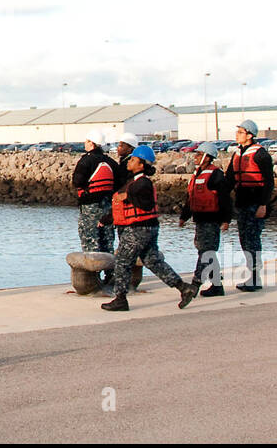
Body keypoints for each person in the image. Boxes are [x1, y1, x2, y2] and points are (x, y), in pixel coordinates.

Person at [101, 145, 200, 312]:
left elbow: (144, 203)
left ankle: (120, 299)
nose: (129, 161)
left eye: (133, 159)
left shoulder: (142, 183)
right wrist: (106, 219)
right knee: (152, 261)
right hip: (148, 228)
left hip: (138, 229)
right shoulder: (135, 182)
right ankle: (184, 288)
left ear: (141, 164)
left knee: (122, 261)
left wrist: (127, 196)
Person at [178, 141, 233, 296]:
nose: (196, 156)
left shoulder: (216, 175)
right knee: (205, 251)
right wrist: (184, 217)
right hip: (200, 219)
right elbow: (191, 199)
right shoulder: (197, 175)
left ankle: (195, 284)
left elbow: (225, 199)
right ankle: (217, 286)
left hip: (212, 219)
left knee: (206, 252)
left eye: (199, 154)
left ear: (208, 158)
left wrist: (226, 220)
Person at [228, 119, 274, 291]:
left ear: (249, 135)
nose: (237, 135)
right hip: (242, 202)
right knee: (244, 240)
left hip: (255, 203)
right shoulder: (237, 154)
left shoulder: (260, 155)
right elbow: (230, 179)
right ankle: (251, 275)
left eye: (240, 132)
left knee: (253, 240)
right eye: (237, 132)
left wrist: (263, 205)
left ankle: (255, 277)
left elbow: (269, 182)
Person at [71, 130, 120, 287]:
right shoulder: (111, 162)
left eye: (86, 141)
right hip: (107, 206)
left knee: (90, 240)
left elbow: (77, 181)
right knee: (107, 241)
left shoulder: (86, 161)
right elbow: (118, 184)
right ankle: (112, 276)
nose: (84, 144)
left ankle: (92, 279)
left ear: (92, 143)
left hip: (90, 207)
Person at [108, 132, 139, 289]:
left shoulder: (128, 167)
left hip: (126, 210)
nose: (118, 148)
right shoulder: (122, 163)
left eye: (122, 145)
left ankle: (122, 282)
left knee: (126, 246)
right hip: (120, 208)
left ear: (130, 148)